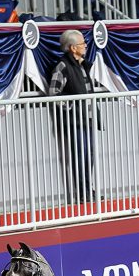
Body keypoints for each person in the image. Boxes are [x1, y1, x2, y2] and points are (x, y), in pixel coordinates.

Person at [49, 29, 96, 203]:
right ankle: (81, 192)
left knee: (89, 154)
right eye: (82, 44)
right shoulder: (62, 65)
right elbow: (54, 93)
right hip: (75, 120)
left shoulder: (83, 64)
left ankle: (87, 188)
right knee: (80, 155)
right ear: (72, 48)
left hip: (88, 118)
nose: (85, 46)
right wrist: (71, 106)